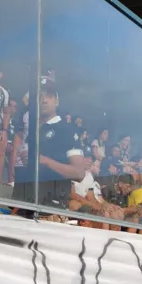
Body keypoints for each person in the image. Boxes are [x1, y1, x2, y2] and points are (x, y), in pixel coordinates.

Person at [12, 76, 85, 207]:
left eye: (49, 96)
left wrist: (45, 161)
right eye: (40, 96)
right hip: (23, 203)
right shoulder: (34, 130)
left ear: (56, 101)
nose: (44, 100)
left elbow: (79, 173)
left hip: (51, 207)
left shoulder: (67, 129)